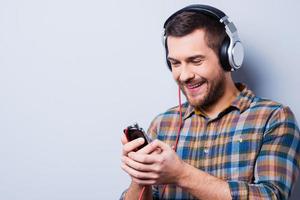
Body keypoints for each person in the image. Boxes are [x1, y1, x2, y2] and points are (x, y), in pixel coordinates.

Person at [120, 4, 300, 200]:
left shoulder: (273, 118)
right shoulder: (163, 124)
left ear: (228, 57)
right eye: (175, 63)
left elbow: (271, 197)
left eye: (196, 61)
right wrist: (140, 177)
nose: (184, 75)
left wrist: (181, 174)